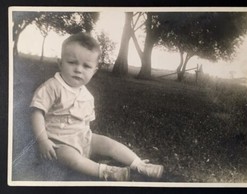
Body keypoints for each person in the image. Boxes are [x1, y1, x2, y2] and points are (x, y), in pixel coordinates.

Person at [30, 32, 164, 181]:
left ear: (94, 71)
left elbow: (85, 124)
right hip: (58, 142)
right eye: (72, 62)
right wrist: (42, 140)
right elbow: (37, 113)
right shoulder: (52, 87)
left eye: (86, 66)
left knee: (108, 143)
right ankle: (106, 172)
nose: (78, 69)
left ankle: (139, 164)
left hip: (83, 138)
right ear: (60, 63)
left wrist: (88, 143)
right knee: (70, 158)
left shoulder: (87, 95)